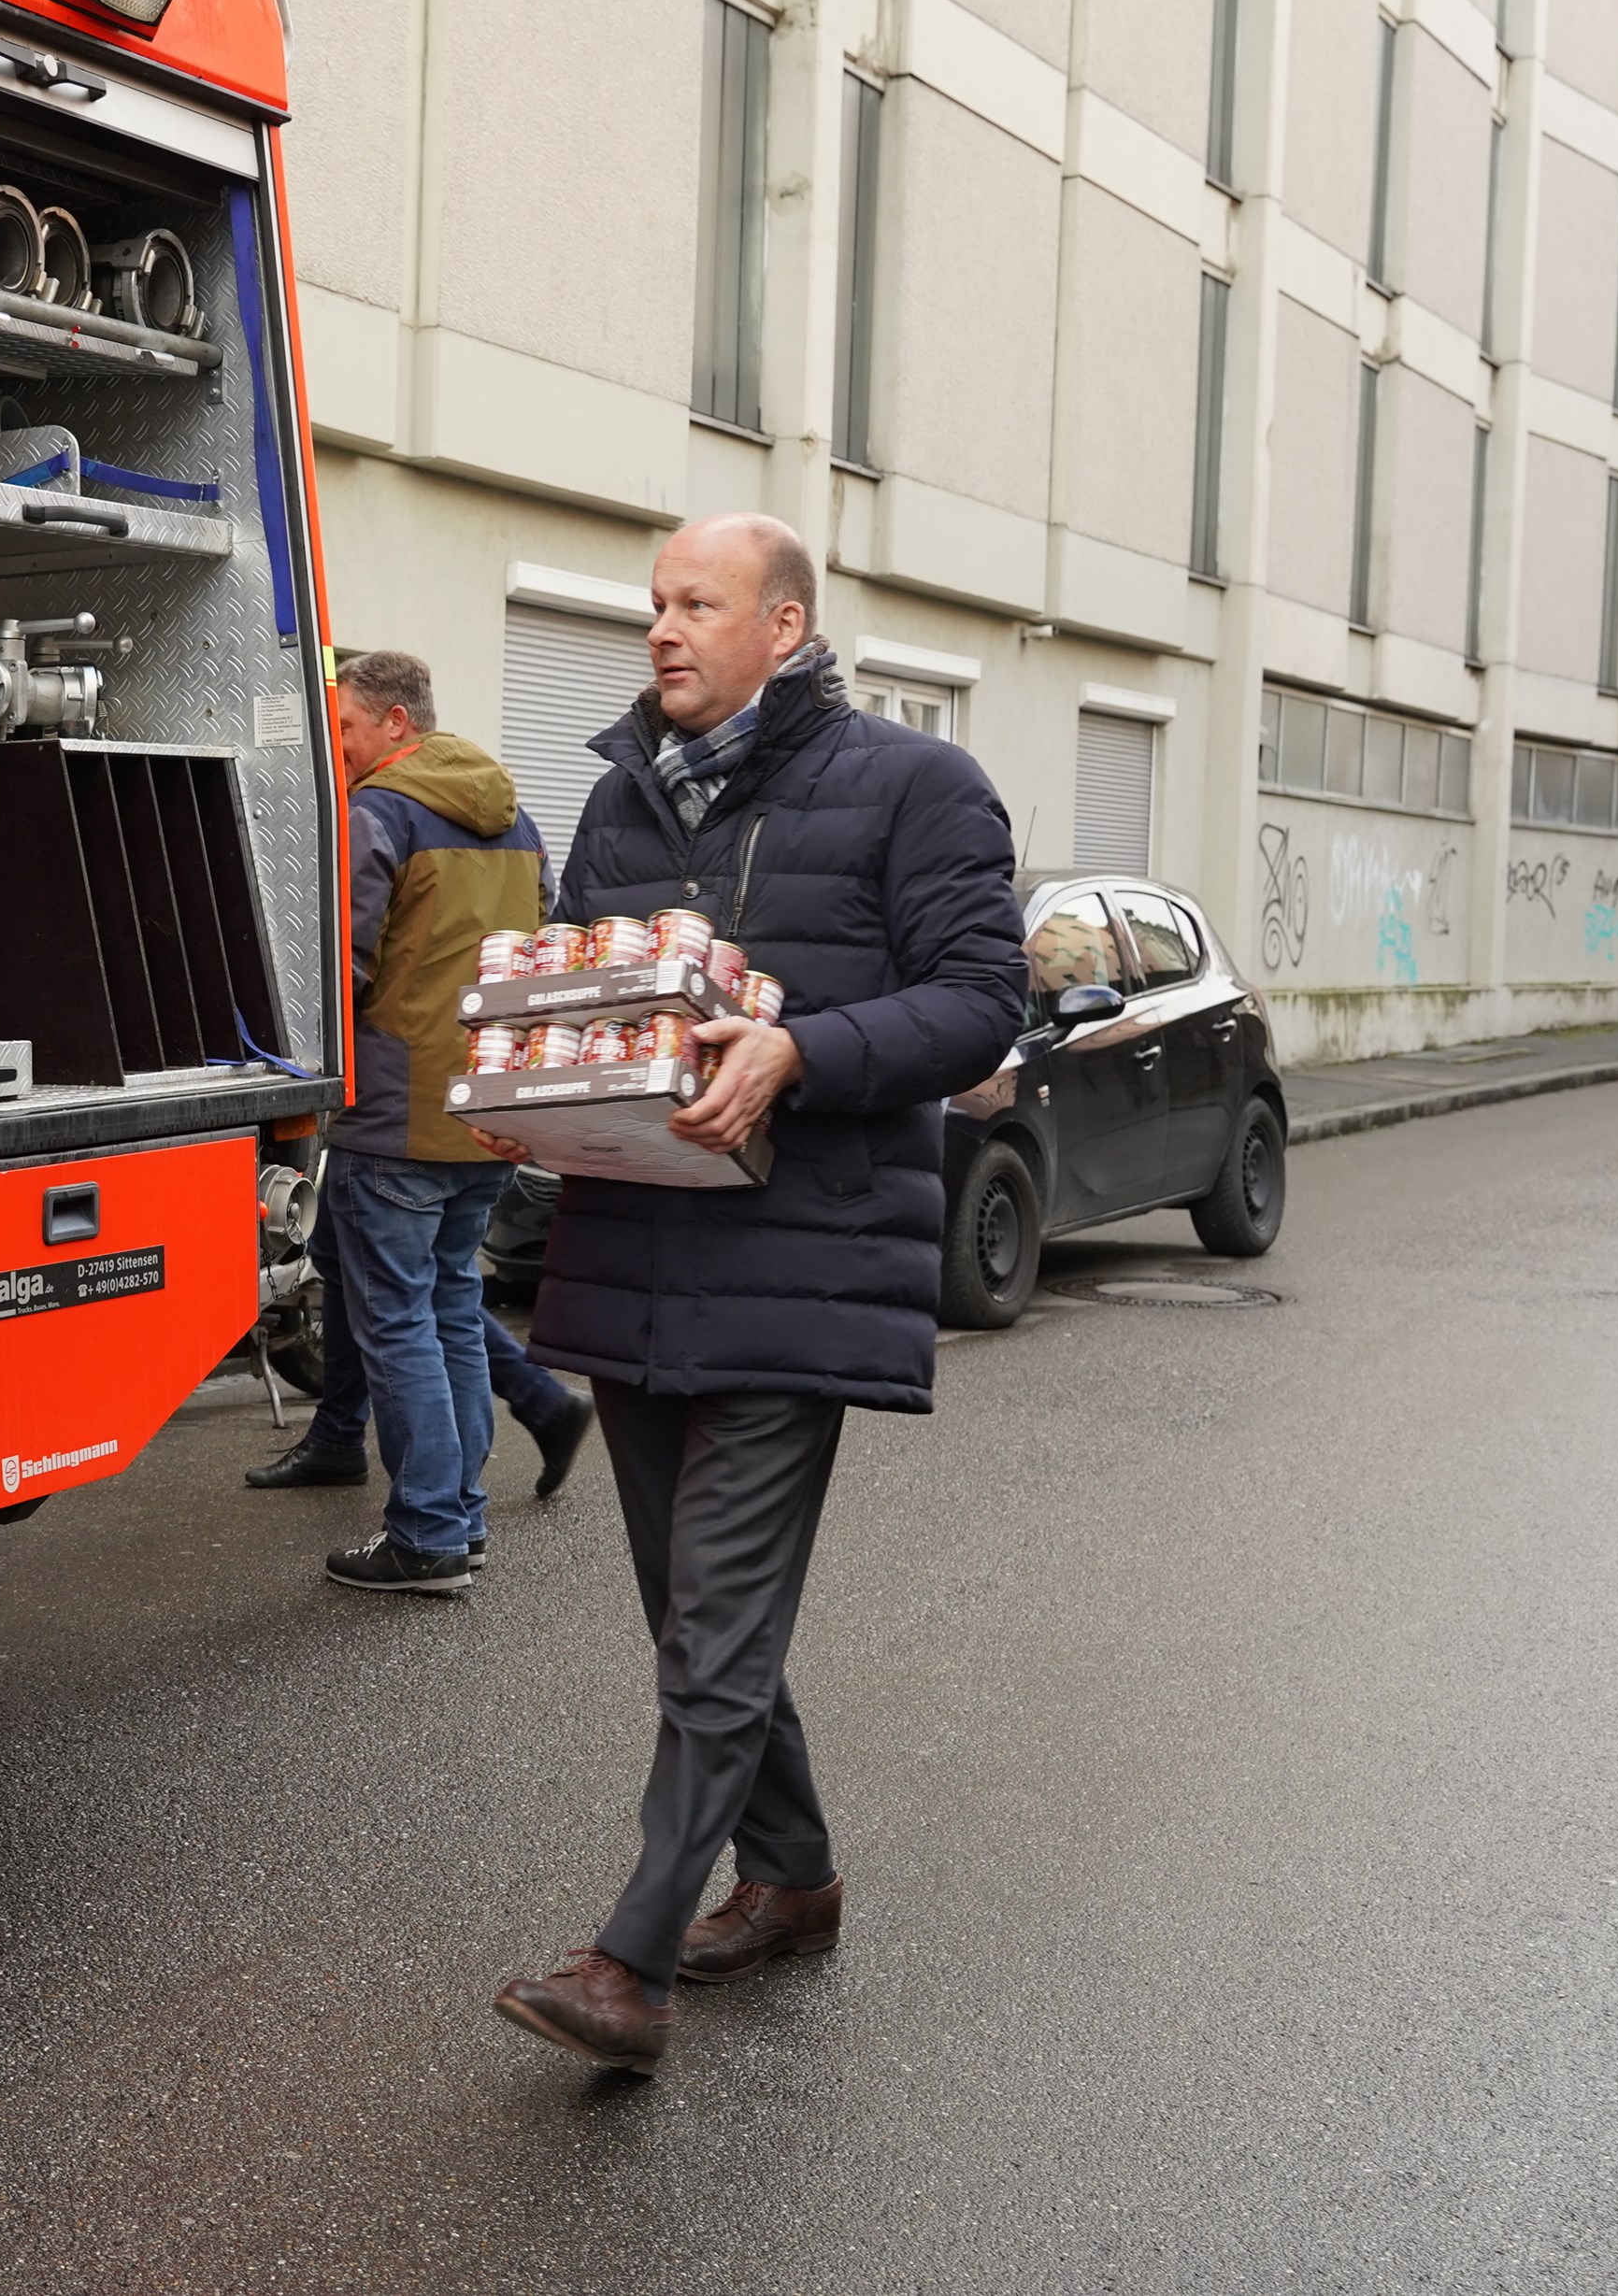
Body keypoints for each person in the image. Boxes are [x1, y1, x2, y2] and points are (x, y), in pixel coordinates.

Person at [476, 514, 1024, 2074]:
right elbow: (587, 982)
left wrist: (802, 1049)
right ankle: (791, 1878)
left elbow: (981, 1003)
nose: (660, 628)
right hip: (633, 1243)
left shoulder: (917, 787)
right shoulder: (618, 795)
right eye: (654, 603)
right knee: (689, 1614)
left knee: (715, 1613)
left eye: (695, 603)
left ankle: (628, 1960)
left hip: (806, 1255)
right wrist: (532, 1078)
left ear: (781, 626)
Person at [249, 649, 594, 1593]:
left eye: (350, 729)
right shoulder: (514, 815)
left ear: (396, 722)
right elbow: (543, 950)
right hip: (482, 1112)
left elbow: (343, 965)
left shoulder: (379, 811)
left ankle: (428, 1533)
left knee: (398, 1320)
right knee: (446, 1308)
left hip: (392, 1112)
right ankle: (462, 1522)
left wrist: (297, 1067)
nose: (342, 747)